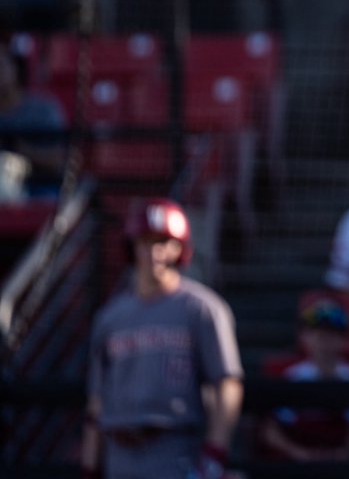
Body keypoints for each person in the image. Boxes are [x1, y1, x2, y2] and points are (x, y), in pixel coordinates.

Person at [81, 199, 243, 479]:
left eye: (163, 242)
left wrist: (216, 451)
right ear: (131, 246)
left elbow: (227, 384)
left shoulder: (202, 308)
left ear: (180, 248)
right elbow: (97, 401)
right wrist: (89, 465)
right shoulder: (110, 317)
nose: (154, 252)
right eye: (145, 242)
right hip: (118, 452)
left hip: (175, 449)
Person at [258, 297, 349, 463]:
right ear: (304, 337)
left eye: (332, 334)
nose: (324, 340)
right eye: (317, 332)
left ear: (344, 339)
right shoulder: (290, 378)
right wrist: (299, 454)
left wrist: (342, 456)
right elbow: (271, 430)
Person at [0, 42, 66, 198]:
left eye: (1, 65)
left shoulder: (43, 110)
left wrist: (18, 149)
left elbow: (58, 161)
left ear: (14, 68)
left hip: (38, 187)